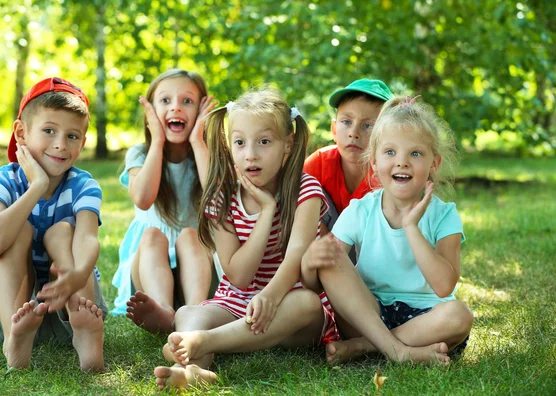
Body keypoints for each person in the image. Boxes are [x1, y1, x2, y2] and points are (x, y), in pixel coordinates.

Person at [153, 87, 339, 390]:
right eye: (239, 142)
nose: (250, 153)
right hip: (236, 304)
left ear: (287, 145)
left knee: (306, 303)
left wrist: (271, 296)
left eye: (264, 142)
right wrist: (266, 212)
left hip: (288, 309)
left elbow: (296, 255)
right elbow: (238, 277)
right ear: (229, 145)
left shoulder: (306, 190)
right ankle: (191, 370)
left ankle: (206, 342)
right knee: (188, 312)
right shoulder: (221, 197)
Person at [301, 95, 473, 365]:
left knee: (460, 315)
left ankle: (364, 347)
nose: (402, 162)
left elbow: (443, 286)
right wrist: (311, 262)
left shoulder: (444, 215)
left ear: (434, 164)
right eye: (390, 152)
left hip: (426, 320)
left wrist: (411, 227)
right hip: (367, 315)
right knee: (331, 255)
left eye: (415, 153)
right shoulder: (361, 210)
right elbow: (322, 275)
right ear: (374, 163)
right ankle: (397, 351)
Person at [0, 77, 107, 371]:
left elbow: (87, 238)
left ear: (83, 143)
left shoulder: (84, 185)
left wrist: (77, 274)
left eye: (72, 136)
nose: (61, 144)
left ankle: (86, 339)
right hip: (15, 311)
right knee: (17, 230)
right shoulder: (3, 180)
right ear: (21, 133)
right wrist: (37, 186)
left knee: (62, 232)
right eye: (49, 131)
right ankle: (15, 340)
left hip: (76, 304)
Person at [112, 69, 218, 334]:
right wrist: (157, 141)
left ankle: (194, 312)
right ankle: (163, 310)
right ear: (151, 111)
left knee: (192, 235)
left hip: (198, 269)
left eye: (187, 101)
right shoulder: (141, 153)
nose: (176, 108)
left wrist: (198, 141)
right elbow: (143, 199)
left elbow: (219, 199)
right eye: (165, 101)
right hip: (149, 272)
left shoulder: (209, 154)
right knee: (151, 236)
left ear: (202, 109)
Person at [304, 78, 393, 237]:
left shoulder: (390, 173)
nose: (354, 133)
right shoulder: (318, 164)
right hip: (321, 248)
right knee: (308, 192)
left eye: (367, 126)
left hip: (370, 250)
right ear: (334, 129)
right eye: (346, 121)